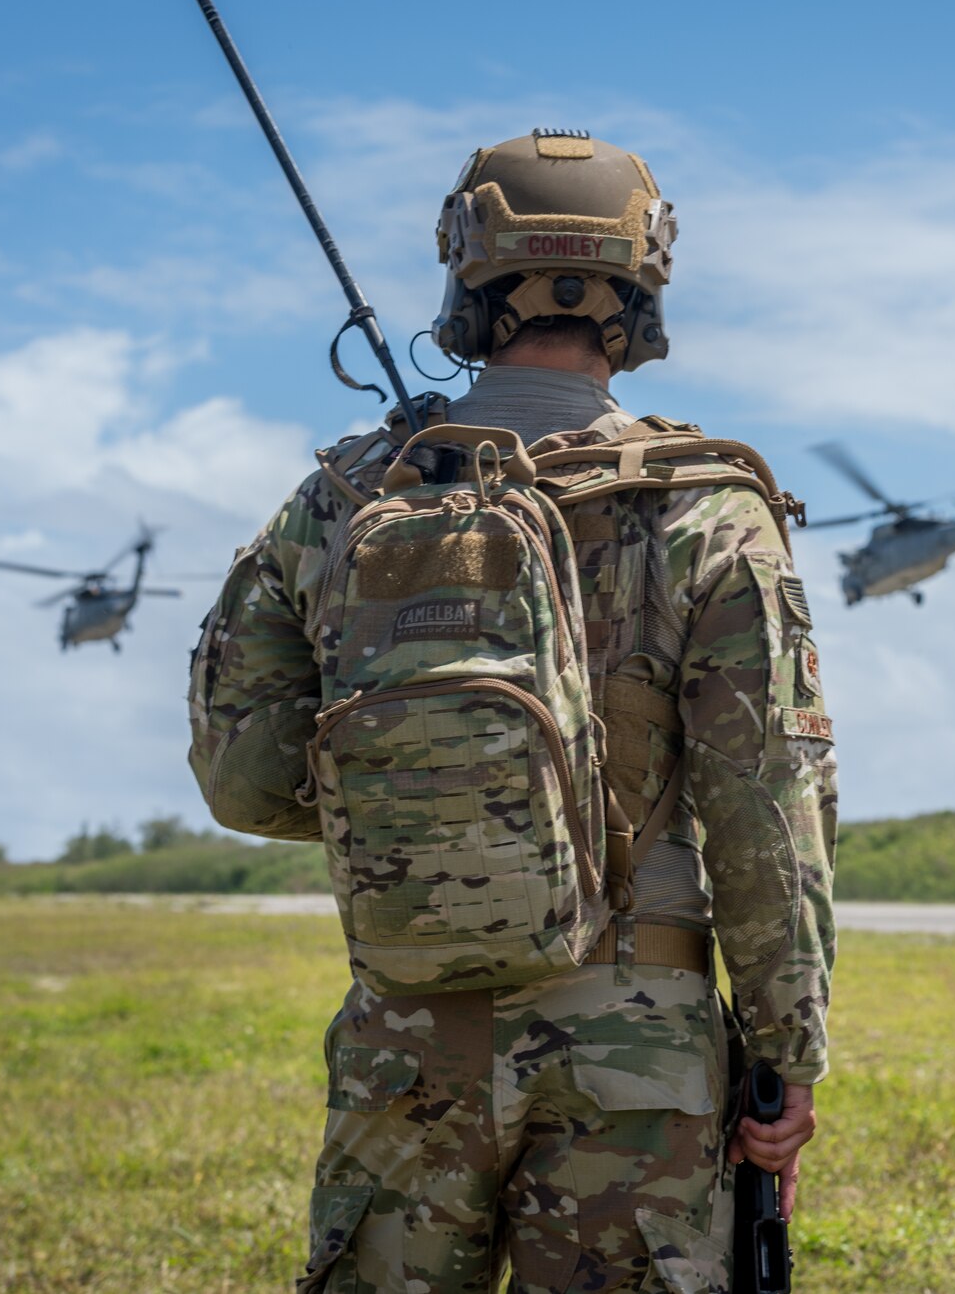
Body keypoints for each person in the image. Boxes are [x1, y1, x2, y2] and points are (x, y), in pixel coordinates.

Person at [187, 130, 837, 1293]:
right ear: (641, 283)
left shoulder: (345, 494)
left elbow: (243, 774)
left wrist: (438, 807)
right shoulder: (708, 508)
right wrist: (785, 1052)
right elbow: (763, 814)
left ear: (466, 272)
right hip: (635, 1045)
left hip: (406, 1027)